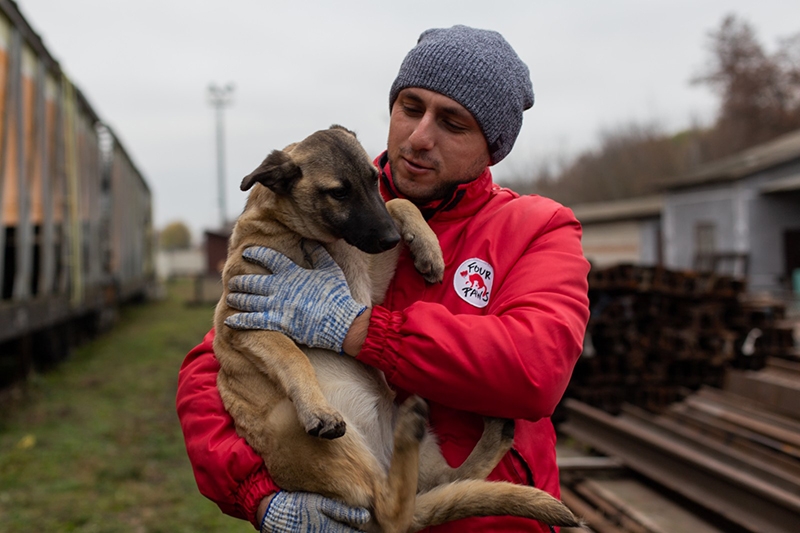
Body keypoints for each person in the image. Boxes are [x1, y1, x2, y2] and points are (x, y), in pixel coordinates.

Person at [176, 25, 590, 533]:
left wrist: (359, 329)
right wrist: (259, 496)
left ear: (493, 147)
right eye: (410, 107)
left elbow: (534, 370)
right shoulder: (318, 209)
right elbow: (210, 371)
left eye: (453, 124)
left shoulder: (536, 228)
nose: (419, 137)